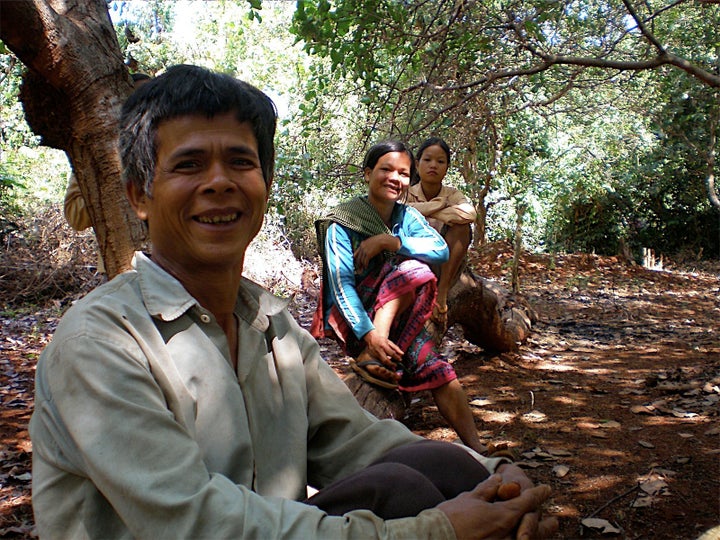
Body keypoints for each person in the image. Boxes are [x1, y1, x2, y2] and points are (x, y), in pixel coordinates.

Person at [30, 65, 557, 539]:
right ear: (139, 196)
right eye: (189, 165)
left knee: (419, 479)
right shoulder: (100, 342)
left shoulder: (272, 326)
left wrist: (493, 475)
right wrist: (435, 531)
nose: (219, 183)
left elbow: (359, 441)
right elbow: (193, 521)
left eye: (240, 161)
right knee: (418, 509)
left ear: (265, 183)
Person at [311, 140, 487, 455]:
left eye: (403, 173)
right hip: (358, 321)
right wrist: (368, 334)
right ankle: (371, 351)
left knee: (435, 367)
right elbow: (341, 285)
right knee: (412, 268)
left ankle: (479, 450)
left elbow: (441, 250)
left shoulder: (406, 217)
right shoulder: (343, 221)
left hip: (399, 319)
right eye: (386, 170)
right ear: (367, 173)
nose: (396, 178)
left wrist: (389, 241)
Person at [63, 72, 151, 274]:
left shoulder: (176, 149)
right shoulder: (94, 155)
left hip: (176, 270)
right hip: (122, 271)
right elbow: (76, 218)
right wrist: (112, 176)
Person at [407, 137, 477, 336]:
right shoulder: (406, 193)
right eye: (427, 160)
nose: (433, 166)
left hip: (445, 263)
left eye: (440, 161)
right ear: (417, 163)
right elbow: (397, 210)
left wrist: (429, 212)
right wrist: (436, 207)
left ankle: (442, 292)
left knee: (462, 228)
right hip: (413, 260)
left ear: (447, 167)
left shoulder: (452, 194)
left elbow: (470, 214)